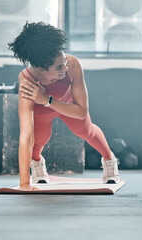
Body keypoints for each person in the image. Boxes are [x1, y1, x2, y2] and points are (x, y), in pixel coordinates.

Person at [8, 22, 119, 190]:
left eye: (65, 61)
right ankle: (37, 163)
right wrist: (24, 183)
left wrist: (48, 100)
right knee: (38, 139)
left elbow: (81, 112)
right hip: (41, 109)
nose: (65, 68)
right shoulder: (27, 81)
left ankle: (109, 159)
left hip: (67, 104)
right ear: (40, 68)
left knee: (85, 130)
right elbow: (26, 136)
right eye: (59, 67)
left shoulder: (73, 66)